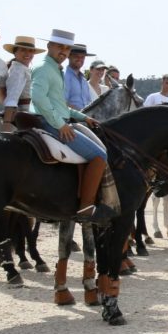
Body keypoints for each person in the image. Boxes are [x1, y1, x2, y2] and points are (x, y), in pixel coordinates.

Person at [31, 30, 111, 224]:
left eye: (67, 48)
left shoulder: (55, 69)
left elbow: (59, 104)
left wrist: (84, 117)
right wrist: (60, 125)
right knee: (100, 156)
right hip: (50, 123)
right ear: (49, 46)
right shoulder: (44, 68)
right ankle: (86, 208)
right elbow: (39, 98)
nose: (63, 51)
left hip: (57, 119)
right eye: (60, 46)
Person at [0, 35, 43, 132]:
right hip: (21, 119)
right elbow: (12, 98)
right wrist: (7, 123)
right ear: (15, 52)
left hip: (25, 116)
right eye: (23, 50)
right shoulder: (18, 70)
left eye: (31, 51)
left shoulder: (21, 69)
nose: (27, 53)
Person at [64, 43, 94, 110]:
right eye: (76, 56)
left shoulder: (84, 80)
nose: (79, 59)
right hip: (70, 119)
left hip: (85, 118)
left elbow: (89, 102)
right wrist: (80, 115)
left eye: (82, 57)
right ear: (69, 56)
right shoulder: (64, 76)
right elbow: (62, 102)